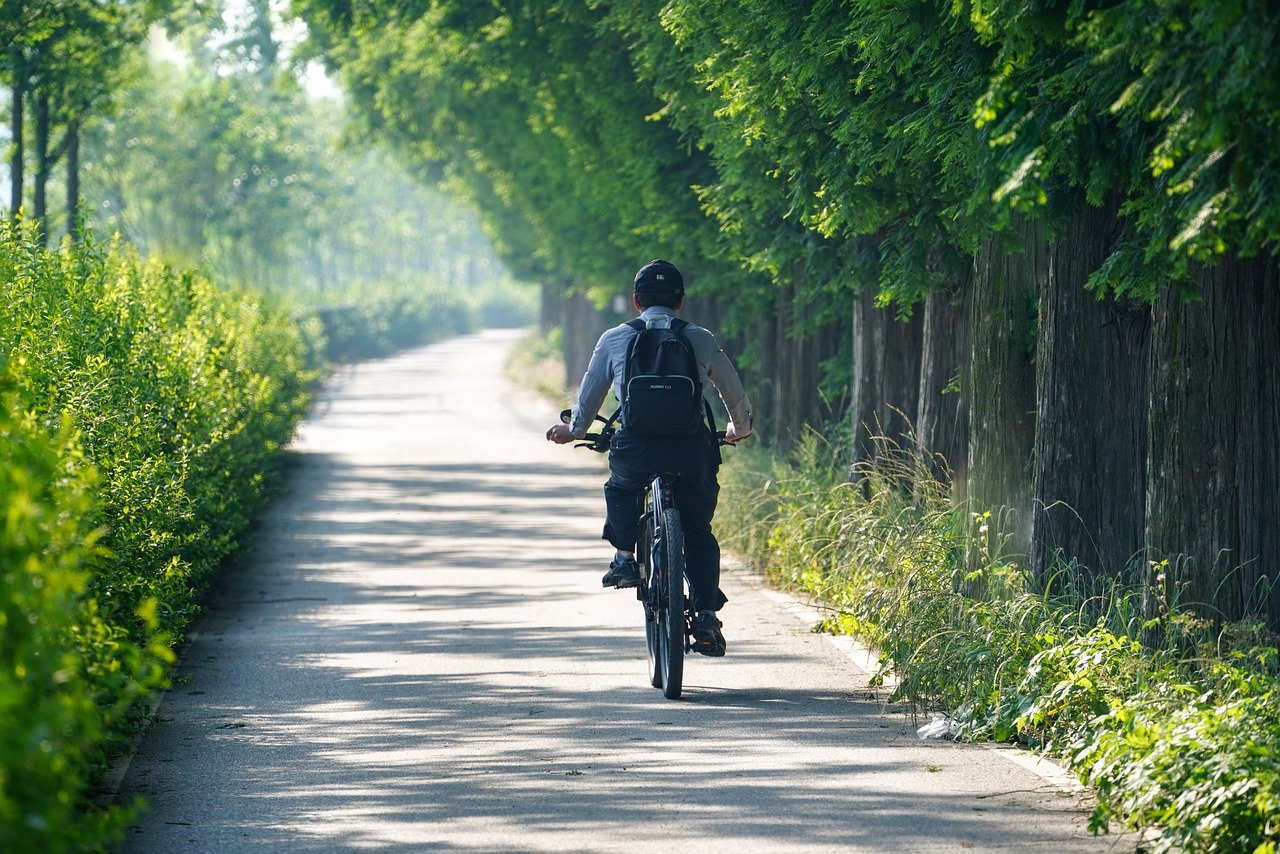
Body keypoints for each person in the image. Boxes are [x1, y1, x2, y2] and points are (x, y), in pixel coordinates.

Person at [545, 259, 753, 656]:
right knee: (697, 531)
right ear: (680, 302)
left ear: (636, 301)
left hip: (636, 448)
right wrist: (738, 429)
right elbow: (731, 388)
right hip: (691, 449)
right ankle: (706, 614)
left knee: (621, 487)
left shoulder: (614, 338)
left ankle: (624, 557)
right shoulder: (699, 337)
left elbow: (590, 396)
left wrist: (572, 430)